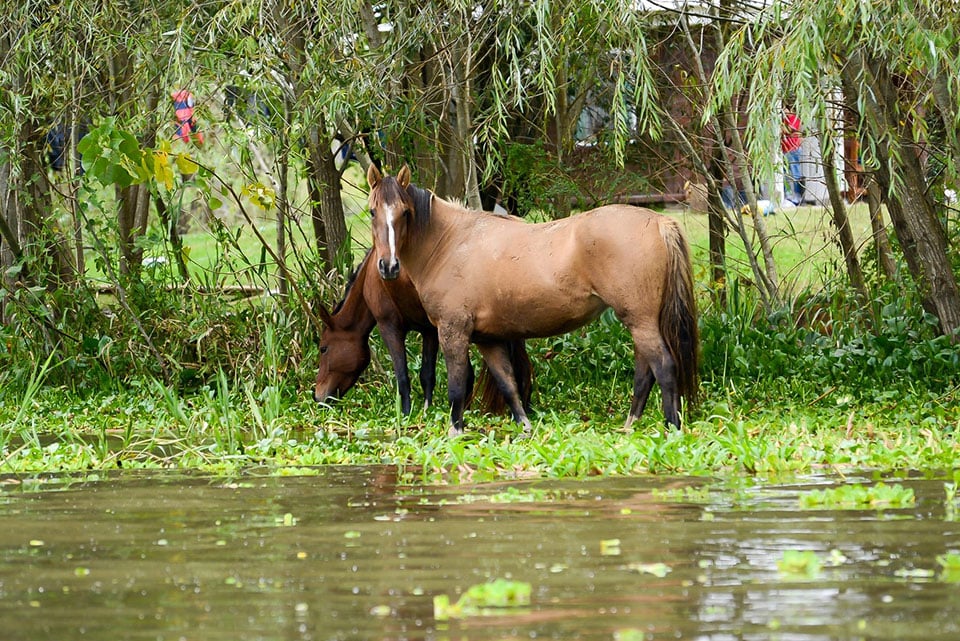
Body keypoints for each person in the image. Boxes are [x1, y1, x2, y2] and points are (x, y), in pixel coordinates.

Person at [781, 106, 803, 205]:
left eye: (785, 109)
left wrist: (781, 127)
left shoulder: (794, 118)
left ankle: (798, 196)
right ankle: (788, 194)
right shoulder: (784, 120)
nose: (783, 111)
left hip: (793, 149)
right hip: (785, 150)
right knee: (784, 174)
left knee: (795, 173)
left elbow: (789, 130)